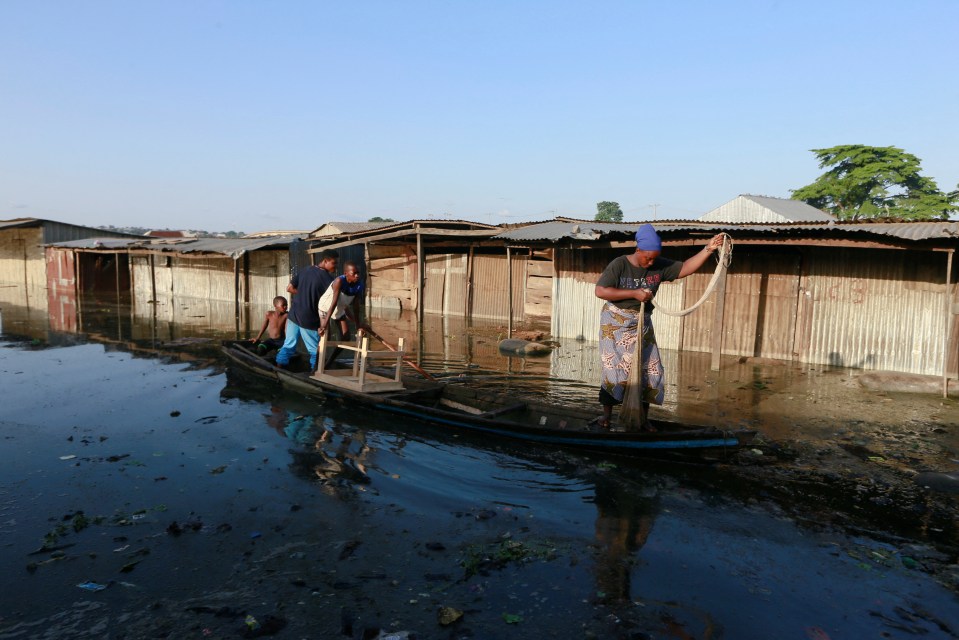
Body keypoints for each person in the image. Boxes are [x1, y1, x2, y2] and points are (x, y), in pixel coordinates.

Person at [594, 224, 724, 431]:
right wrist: (633, 293)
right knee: (615, 369)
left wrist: (708, 249)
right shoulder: (619, 264)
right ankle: (606, 417)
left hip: (642, 322)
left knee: (649, 370)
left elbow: (685, 268)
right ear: (638, 250)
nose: (651, 262)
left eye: (655, 258)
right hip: (615, 323)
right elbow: (601, 291)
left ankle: (642, 419)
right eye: (648, 258)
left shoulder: (659, 265)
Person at [275, 249, 339, 370]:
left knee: (288, 345)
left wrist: (303, 293)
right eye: (334, 263)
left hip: (293, 315)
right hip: (309, 318)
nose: (336, 267)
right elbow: (332, 301)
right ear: (325, 261)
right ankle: (314, 374)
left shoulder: (306, 269)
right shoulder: (328, 279)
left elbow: (289, 288)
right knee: (315, 350)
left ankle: (278, 369)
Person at [318, 261, 369, 341]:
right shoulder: (339, 281)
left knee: (346, 338)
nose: (357, 276)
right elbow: (333, 303)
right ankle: (317, 354)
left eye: (358, 273)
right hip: (326, 307)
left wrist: (358, 326)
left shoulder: (359, 285)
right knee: (326, 337)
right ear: (346, 274)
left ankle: (333, 354)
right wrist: (324, 325)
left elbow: (356, 308)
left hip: (340, 308)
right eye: (354, 273)